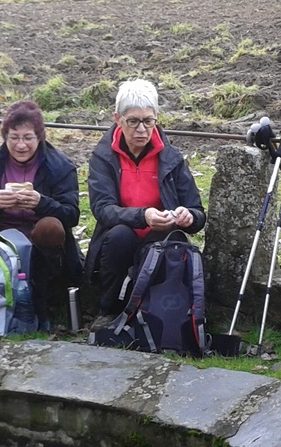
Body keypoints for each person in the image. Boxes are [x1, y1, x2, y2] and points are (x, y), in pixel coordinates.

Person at [84, 79, 206, 331]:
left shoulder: (171, 158)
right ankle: (109, 310)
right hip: (119, 239)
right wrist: (143, 216)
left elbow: (198, 213)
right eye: (133, 121)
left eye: (148, 121)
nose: (141, 129)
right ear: (117, 119)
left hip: (159, 237)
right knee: (120, 236)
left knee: (164, 239)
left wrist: (188, 216)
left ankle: (156, 315)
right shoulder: (103, 156)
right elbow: (103, 209)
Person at [0, 100, 81, 328]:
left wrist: (41, 203)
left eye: (28, 138)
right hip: (1, 231)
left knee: (51, 226)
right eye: (14, 137)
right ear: (5, 137)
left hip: (37, 232)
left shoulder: (60, 166)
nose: (21, 145)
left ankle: (45, 304)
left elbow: (71, 214)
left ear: (39, 137)